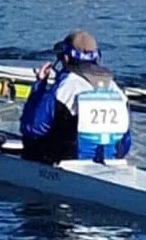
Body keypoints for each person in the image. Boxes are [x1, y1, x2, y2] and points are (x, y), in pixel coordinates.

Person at [20, 30, 132, 165]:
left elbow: (32, 129)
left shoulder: (65, 87)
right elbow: (125, 143)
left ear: (66, 58)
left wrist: (40, 86)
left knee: (31, 141)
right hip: (112, 161)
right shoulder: (116, 90)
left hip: (67, 162)